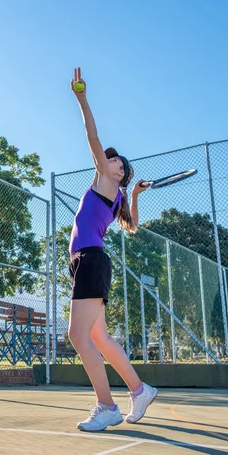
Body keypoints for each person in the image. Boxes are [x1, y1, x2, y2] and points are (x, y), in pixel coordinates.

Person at [68, 67, 157, 432]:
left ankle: (106, 405)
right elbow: (131, 225)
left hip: (90, 258)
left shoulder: (106, 181)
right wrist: (134, 197)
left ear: (119, 172)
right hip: (85, 261)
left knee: (77, 336)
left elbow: (92, 134)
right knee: (98, 337)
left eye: (117, 161)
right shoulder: (117, 193)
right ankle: (140, 389)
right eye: (111, 158)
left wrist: (82, 98)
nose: (111, 160)